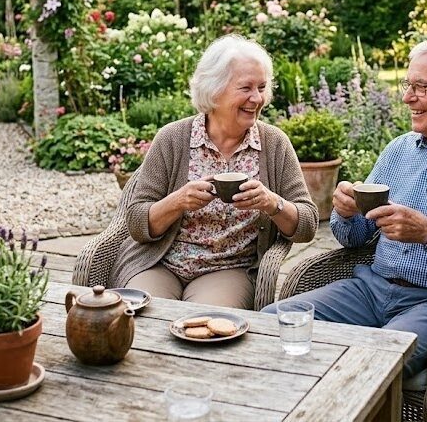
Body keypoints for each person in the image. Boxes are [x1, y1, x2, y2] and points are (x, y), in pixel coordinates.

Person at [263, 35, 427, 381]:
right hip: (368, 291)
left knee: (373, 363)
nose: (407, 97)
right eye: (408, 85)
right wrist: (346, 213)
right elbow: (354, 238)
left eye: (421, 87)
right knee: (271, 324)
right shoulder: (399, 150)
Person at [109, 34, 318, 309]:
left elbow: (308, 225)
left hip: (227, 271)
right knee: (138, 315)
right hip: (160, 263)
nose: (257, 98)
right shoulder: (172, 138)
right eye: (246, 88)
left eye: (262, 87)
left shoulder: (274, 144)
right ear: (214, 90)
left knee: (210, 324)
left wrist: (272, 203)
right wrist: (178, 201)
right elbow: (136, 221)